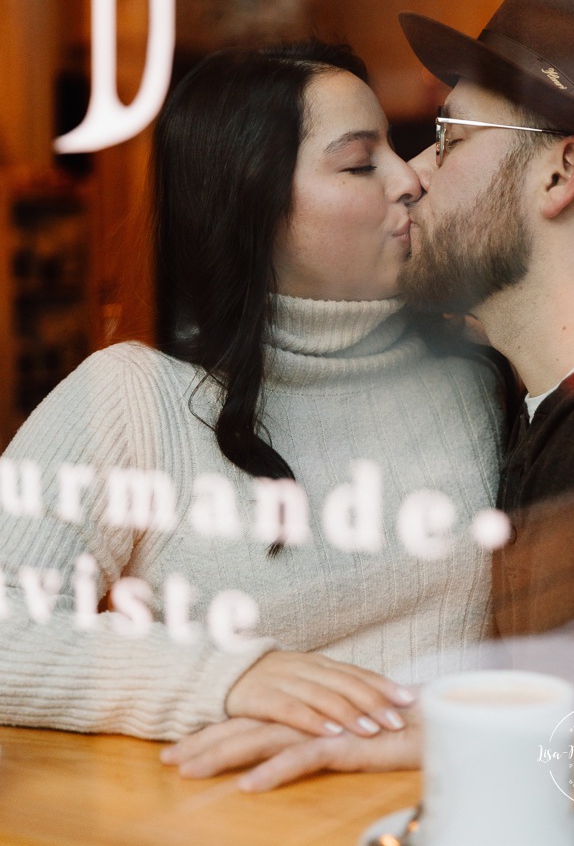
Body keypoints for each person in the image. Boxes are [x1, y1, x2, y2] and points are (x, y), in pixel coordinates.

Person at [189, 0, 574, 790]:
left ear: (558, 172)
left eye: (450, 137)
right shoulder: (530, 400)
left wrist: (477, 738)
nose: (414, 173)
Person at [0, 40, 505, 746]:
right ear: (250, 203)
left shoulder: (477, 374)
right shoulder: (136, 398)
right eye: (360, 163)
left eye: (395, 148)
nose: (411, 179)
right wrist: (225, 677)